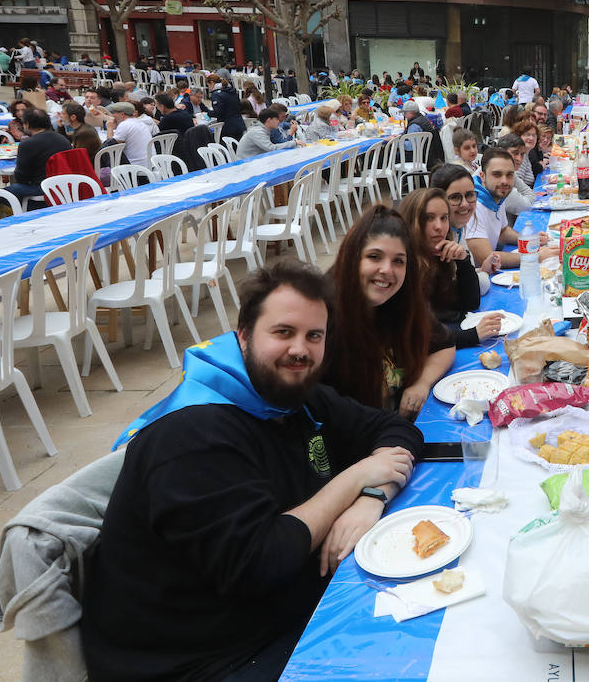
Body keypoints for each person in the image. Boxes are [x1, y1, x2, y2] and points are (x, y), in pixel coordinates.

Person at [81, 260, 423, 681]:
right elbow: (261, 560)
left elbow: (395, 429)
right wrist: (356, 477)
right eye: (283, 332)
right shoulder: (193, 434)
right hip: (196, 659)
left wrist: (372, 497)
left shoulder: (295, 396)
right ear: (243, 335)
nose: (301, 349)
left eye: (314, 336)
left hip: (271, 612)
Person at [322, 206, 457, 417]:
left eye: (398, 261)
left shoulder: (401, 304)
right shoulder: (323, 321)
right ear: (352, 258)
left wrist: (421, 383)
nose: (387, 270)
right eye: (374, 257)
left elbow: (446, 345)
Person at [399, 187, 504, 348]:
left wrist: (463, 260)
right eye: (429, 218)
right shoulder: (403, 267)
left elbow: (470, 303)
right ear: (411, 222)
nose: (439, 226)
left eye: (444, 218)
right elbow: (419, 338)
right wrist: (473, 335)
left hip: (450, 337)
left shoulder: (439, 254)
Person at [465, 147, 530, 268]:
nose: (504, 181)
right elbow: (487, 257)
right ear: (482, 176)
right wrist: (535, 256)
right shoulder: (471, 205)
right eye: (497, 174)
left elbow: (502, 231)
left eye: (509, 175)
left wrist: (529, 240)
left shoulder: (497, 194)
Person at [6, 109, 71, 204]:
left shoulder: (27, 144)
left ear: (27, 124)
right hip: (66, 184)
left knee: (1, 193)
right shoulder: (63, 139)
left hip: (41, 188)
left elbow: (21, 176)